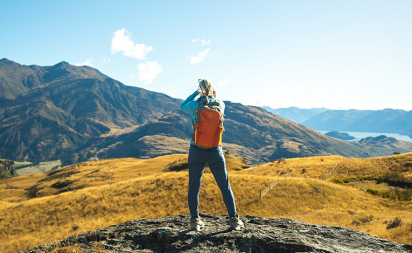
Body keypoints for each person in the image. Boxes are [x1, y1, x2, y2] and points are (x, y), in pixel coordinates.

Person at [181, 79, 244, 231]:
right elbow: (217, 104)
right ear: (212, 90)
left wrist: (196, 93)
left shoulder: (195, 105)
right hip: (215, 151)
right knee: (224, 186)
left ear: (200, 90)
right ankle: (234, 220)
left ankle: (195, 221)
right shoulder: (220, 105)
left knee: (194, 187)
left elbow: (183, 105)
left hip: (196, 149)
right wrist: (212, 95)